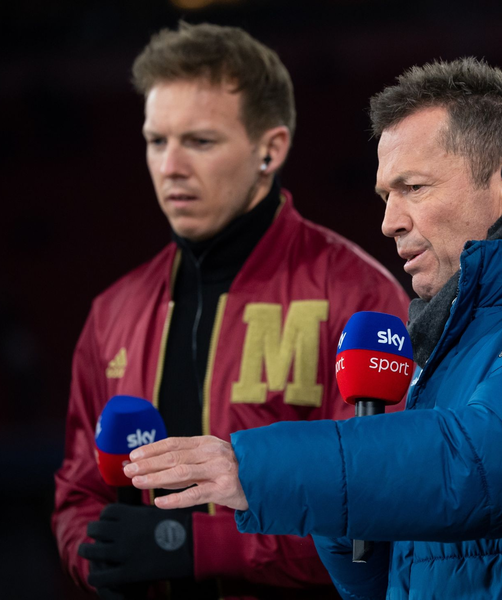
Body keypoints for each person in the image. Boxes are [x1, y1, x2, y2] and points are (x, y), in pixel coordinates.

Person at [124, 58, 502, 599]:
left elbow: (492, 464)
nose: (389, 222)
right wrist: (351, 497)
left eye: (413, 188)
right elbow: (377, 578)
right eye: (385, 195)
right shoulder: (455, 343)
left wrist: (259, 468)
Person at [51, 22, 409, 600]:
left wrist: (195, 546)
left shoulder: (359, 297)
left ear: (270, 149)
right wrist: (95, 557)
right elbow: (77, 492)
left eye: (200, 141)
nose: (170, 167)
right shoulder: (111, 312)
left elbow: (381, 514)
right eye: (156, 140)